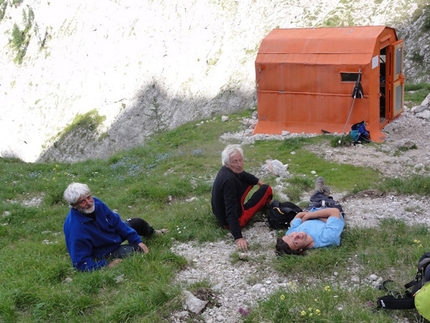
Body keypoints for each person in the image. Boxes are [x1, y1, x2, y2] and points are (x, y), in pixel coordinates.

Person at [63, 182, 167, 271]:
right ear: (74, 206)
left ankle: (153, 233)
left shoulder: (97, 203)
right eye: (82, 201)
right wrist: (106, 265)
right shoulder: (76, 229)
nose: (89, 203)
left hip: (111, 235)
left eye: (89, 197)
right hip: (103, 250)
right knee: (136, 250)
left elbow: (116, 222)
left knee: (138, 222)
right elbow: (80, 264)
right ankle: (116, 253)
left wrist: (136, 240)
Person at [211, 144, 273, 251]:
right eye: (235, 161)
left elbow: (243, 175)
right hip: (234, 220)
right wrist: (238, 237)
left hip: (220, 214)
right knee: (267, 189)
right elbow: (231, 209)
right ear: (227, 163)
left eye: (240, 160)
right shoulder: (230, 181)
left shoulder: (225, 171)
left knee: (245, 178)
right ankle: (266, 204)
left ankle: (253, 198)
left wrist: (258, 182)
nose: (239, 164)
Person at [276, 177, 345, 256]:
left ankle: (321, 193)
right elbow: (334, 211)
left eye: (291, 235)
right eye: (295, 242)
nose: (296, 235)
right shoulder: (326, 238)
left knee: (314, 200)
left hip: (312, 210)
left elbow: (298, 215)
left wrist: (308, 215)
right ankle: (322, 193)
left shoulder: (290, 234)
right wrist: (308, 217)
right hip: (329, 207)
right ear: (300, 250)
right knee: (323, 200)